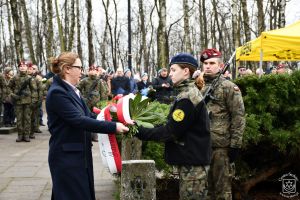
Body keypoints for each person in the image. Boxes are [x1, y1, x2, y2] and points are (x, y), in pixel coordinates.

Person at [46, 52, 129, 200]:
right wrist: (113, 127)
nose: (82, 71)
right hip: (66, 157)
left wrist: (113, 118)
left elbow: (89, 115)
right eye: (79, 67)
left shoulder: (72, 90)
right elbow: (78, 120)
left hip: (78, 155)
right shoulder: (58, 93)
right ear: (67, 69)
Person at [136, 53, 211, 200]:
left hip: (193, 166)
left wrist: (140, 131)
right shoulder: (185, 93)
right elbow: (171, 124)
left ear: (185, 71)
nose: (170, 74)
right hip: (191, 162)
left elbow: (170, 132)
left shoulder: (187, 98)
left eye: (173, 70)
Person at [200, 48, 246, 200]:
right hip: (199, 146)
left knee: (222, 192)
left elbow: (238, 117)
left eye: (212, 63)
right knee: (203, 191)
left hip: (221, 147)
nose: (207, 66)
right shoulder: (196, 87)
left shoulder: (228, 87)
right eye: (205, 63)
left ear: (220, 66)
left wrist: (235, 145)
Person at [9, 61, 32, 142]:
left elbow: (34, 90)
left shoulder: (30, 78)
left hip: (28, 101)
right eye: (20, 66)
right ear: (18, 68)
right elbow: (8, 88)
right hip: (18, 101)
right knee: (19, 119)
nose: (22, 67)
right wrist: (13, 95)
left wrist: (33, 100)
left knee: (27, 119)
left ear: (27, 68)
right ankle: (20, 135)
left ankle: (26, 135)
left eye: (24, 66)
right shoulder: (15, 78)